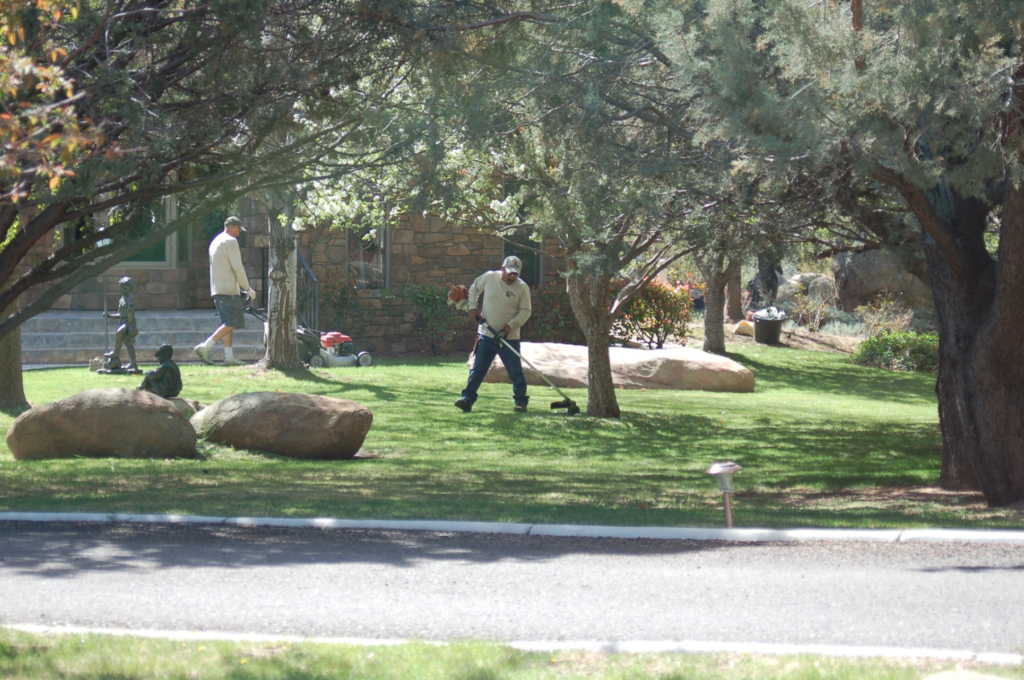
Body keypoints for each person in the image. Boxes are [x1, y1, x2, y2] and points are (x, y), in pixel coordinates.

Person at [456, 255, 532, 413]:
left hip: (508, 337)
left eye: (515, 274)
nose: (512, 277)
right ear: (502, 269)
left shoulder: (522, 287)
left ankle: (521, 402)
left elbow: (526, 311)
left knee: (515, 371)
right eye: (509, 273)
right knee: (478, 370)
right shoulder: (490, 277)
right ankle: (467, 399)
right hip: (486, 334)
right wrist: (472, 307)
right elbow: (474, 288)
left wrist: (511, 325)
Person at [194, 215, 256, 366]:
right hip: (227, 289)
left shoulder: (215, 241)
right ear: (233, 227)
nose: (239, 233)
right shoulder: (230, 241)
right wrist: (247, 288)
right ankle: (205, 346)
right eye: (239, 230)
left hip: (218, 288)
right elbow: (237, 267)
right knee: (232, 322)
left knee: (227, 323)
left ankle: (229, 357)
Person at [103, 275, 139, 371]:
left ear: (130, 288)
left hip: (129, 323)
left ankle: (116, 352)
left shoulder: (129, 299)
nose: (123, 290)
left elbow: (130, 313)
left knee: (119, 333)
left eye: (126, 288)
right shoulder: (122, 299)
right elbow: (120, 314)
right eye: (122, 287)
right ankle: (133, 364)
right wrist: (109, 316)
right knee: (128, 344)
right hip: (123, 322)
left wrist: (130, 326)